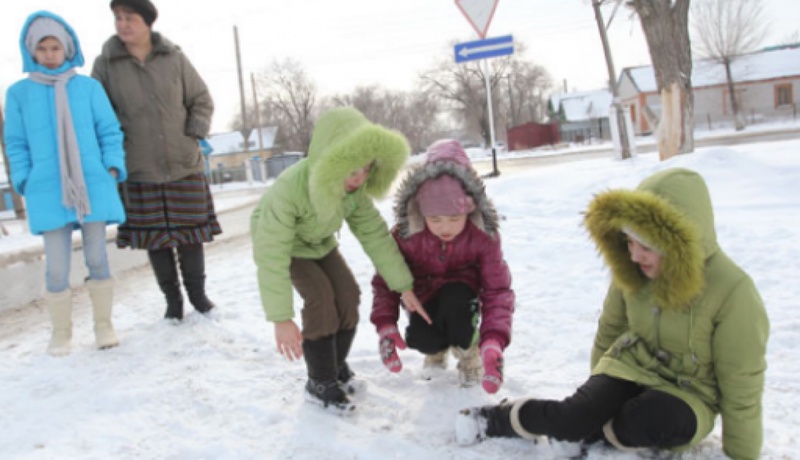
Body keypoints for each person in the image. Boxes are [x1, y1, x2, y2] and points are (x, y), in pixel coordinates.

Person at [456, 168, 769, 459]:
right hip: (630, 367)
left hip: (689, 395)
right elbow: (610, 329)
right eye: (630, 242)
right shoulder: (632, 271)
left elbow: (742, 383)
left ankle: (598, 433)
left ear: (679, 245)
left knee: (645, 422)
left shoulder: (732, 292)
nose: (634, 255)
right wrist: (591, 404)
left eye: (645, 247)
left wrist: (743, 454)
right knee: (573, 418)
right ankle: (494, 419)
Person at [250, 107, 425, 412]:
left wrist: (404, 286)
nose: (360, 179)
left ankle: (336, 365)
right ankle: (320, 380)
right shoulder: (289, 190)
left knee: (347, 294)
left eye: (366, 170)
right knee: (320, 297)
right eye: (352, 171)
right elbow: (271, 256)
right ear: (330, 162)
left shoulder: (354, 193)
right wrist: (281, 318)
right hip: (286, 246)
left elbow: (376, 236)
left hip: (319, 243)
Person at [4, 10, 127, 355]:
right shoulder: (19, 94)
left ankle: (104, 325)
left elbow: (109, 131)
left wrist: (112, 168)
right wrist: (25, 178)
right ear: (31, 50)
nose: (49, 54)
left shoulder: (88, 88)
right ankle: (61, 332)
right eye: (41, 47)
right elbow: (15, 142)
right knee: (56, 266)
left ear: (68, 48)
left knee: (97, 257)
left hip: (91, 185)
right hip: (47, 189)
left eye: (55, 47)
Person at [91, 0, 220, 321]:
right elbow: (98, 115)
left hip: (182, 162)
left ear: (147, 22)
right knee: (156, 240)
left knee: (190, 235)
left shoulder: (174, 58)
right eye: (117, 18)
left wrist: (193, 133)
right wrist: (113, 153)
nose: (122, 24)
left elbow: (201, 99)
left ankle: (198, 297)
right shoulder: (105, 65)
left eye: (129, 18)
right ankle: (173, 301)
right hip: (138, 167)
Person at [370, 139, 514, 394]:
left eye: (454, 219)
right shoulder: (407, 234)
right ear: (421, 210)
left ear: (469, 210)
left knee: (455, 302)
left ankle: (470, 355)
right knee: (420, 337)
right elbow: (385, 281)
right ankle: (434, 352)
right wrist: (386, 325)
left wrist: (493, 341)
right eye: (435, 219)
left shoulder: (482, 235)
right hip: (423, 299)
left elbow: (498, 291)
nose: (444, 227)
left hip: (461, 300)